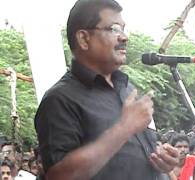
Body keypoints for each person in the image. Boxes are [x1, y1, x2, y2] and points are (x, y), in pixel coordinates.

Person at [34, 0, 179, 179]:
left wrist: (161, 158)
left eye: (124, 29)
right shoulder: (59, 99)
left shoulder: (127, 89)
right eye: (114, 29)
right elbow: (60, 175)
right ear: (84, 39)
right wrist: (124, 128)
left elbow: (128, 156)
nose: (124, 37)